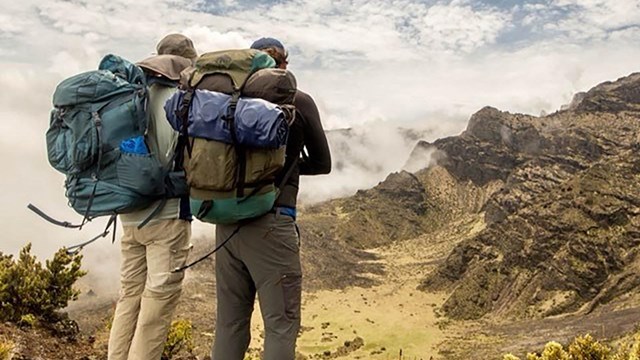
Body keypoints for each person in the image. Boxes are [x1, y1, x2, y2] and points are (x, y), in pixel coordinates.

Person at [212, 37, 332, 360]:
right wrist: (287, 167)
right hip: (272, 225)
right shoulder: (299, 101)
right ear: (284, 66)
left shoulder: (227, 102)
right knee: (280, 326)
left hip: (226, 225)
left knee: (228, 325)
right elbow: (324, 164)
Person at [107, 34, 197, 360]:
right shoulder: (180, 101)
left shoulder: (130, 97)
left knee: (129, 295)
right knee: (157, 302)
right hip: (167, 215)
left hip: (129, 213)